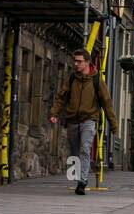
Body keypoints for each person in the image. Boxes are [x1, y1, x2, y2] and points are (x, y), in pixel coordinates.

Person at [49, 48, 118, 196]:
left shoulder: (97, 80)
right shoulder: (72, 79)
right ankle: (76, 177)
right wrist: (54, 113)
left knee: (85, 149)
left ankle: (82, 182)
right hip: (73, 119)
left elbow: (107, 102)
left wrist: (113, 124)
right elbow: (62, 98)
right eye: (75, 61)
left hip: (89, 119)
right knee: (74, 151)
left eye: (79, 61)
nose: (76, 64)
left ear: (87, 63)